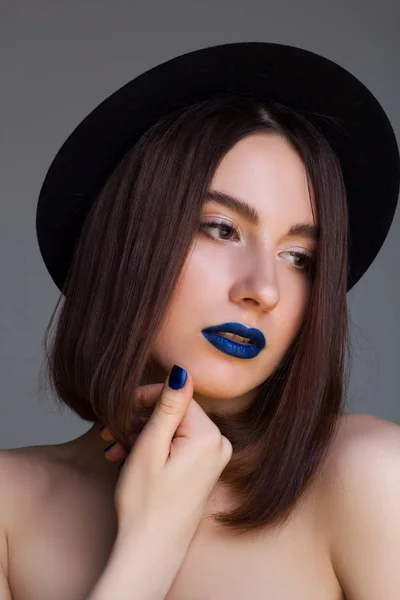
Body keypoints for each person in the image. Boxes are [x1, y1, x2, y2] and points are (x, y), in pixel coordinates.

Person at [1, 42, 399, 600]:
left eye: (299, 258)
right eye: (221, 228)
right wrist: (151, 541)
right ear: (128, 242)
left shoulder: (371, 478)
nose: (263, 290)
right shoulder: (9, 510)